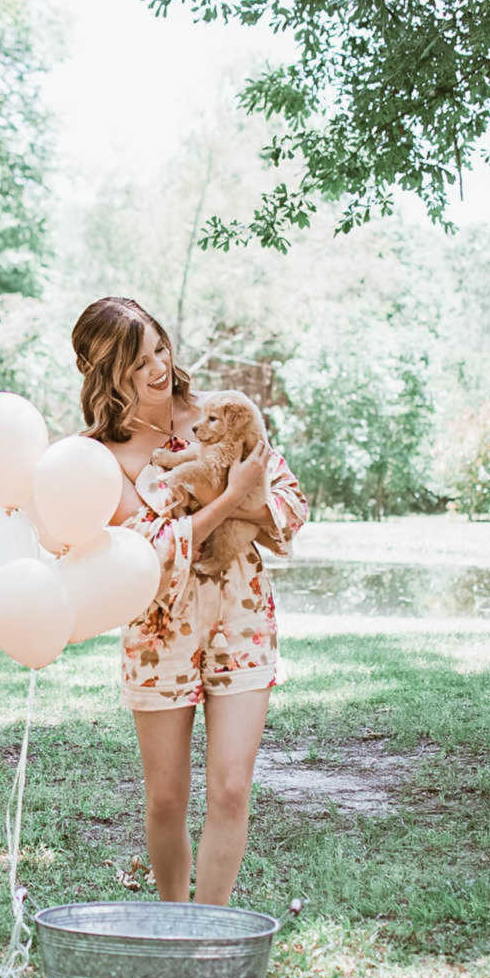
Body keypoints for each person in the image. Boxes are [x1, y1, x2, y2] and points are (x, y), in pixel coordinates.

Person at [73, 296, 308, 907]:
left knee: (231, 788)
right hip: (158, 628)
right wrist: (230, 501)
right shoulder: (101, 457)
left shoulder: (223, 414)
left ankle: (208, 932)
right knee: (167, 797)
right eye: (135, 362)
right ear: (104, 374)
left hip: (242, 614)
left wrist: (246, 500)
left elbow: (289, 504)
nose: (156, 368)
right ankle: (173, 922)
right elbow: (148, 551)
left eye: (159, 349)